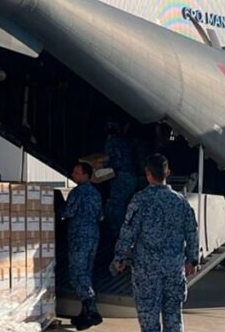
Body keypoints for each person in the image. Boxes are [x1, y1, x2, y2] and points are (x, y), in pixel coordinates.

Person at [111, 154, 198, 332]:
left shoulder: (140, 200)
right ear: (168, 172)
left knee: (149, 319)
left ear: (147, 173)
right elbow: (192, 232)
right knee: (174, 317)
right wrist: (192, 259)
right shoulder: (180, 202)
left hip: (146, 270)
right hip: (173, 268)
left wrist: (120, 257)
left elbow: (128, 232)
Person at [62, 161, 104, 329]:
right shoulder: (96, 193)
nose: (73, 175)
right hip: (93, 234)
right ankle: (87, 311)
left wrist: (56, 209)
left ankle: (91, 311)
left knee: (78, 274)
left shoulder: (77, 193)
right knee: (86, 272)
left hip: (79, 236)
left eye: (77, 172)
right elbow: (101, 216)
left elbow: (68, 212)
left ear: (86, 175)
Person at [103, 121, 138, 235]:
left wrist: (101, 165)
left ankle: (118, 234)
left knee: (115, 206)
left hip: (121, 177)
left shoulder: (112, 142)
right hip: (130, 176)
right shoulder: (124, 142)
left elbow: (116, 161)